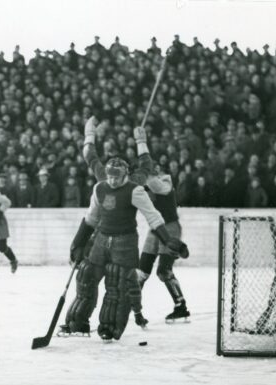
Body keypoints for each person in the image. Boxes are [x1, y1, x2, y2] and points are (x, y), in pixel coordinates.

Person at [60, 118, 187, 341]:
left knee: (117, 285)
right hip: (101, 240)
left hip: (125, 243)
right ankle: (77, 322)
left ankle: (110, 326)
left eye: (116, 178)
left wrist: (141, 141)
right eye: (109, 176)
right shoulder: (101, 185)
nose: (112, 180)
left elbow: (153, 214)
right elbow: (90, 159)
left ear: (125, 175)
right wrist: (78, 242)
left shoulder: (135, 187)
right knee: (87, 277)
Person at [130, 127, 191, 325]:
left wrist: (141, 146)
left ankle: (181, 306)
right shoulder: (144, 186)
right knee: (142, 272)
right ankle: (133, 308)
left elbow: (155, 184)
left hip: (170, 228)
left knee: (163, 271)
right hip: (155, 229)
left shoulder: (164, 181)